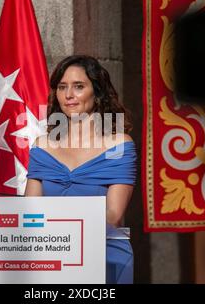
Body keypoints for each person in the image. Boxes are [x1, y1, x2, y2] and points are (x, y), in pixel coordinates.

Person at [25, 55, 137, 284]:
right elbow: (28, 211)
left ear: (97, 92)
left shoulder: (119, 144)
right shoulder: (42, 145)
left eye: (78, 86)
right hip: (50, 257)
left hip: (105, 256)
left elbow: (113, 216)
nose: (68, 95)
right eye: (62, 87)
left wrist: (54, 223)